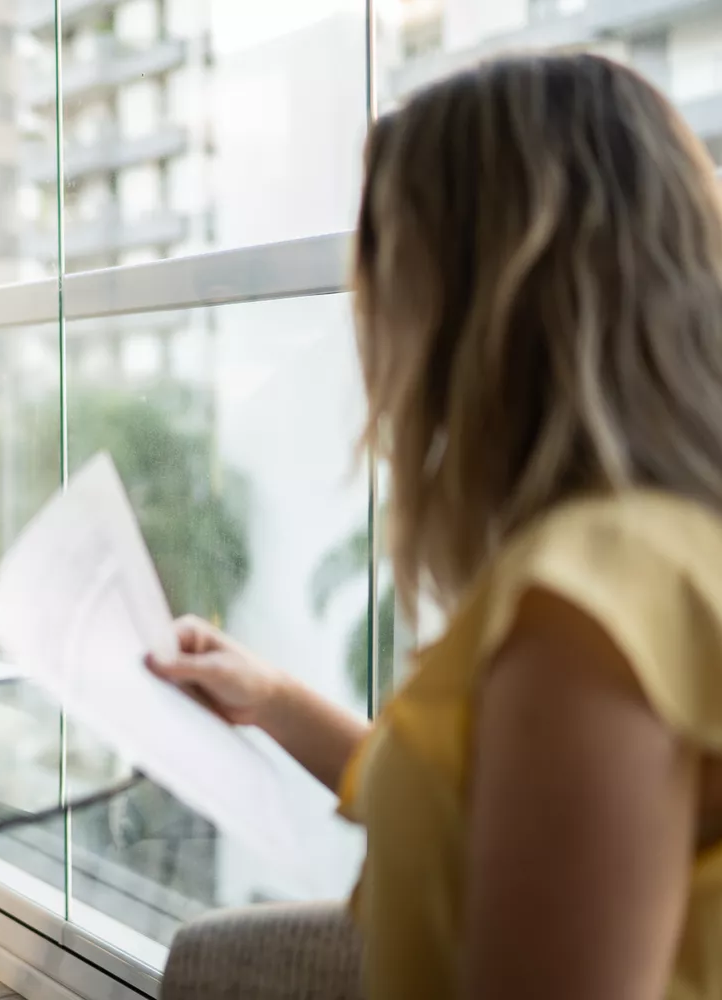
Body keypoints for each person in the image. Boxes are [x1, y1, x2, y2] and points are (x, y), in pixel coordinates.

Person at [149, 54, 722, 999]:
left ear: (478, 301)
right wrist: (273, 699)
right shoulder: (648, 551)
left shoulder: (593, 604)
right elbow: (479, 802)